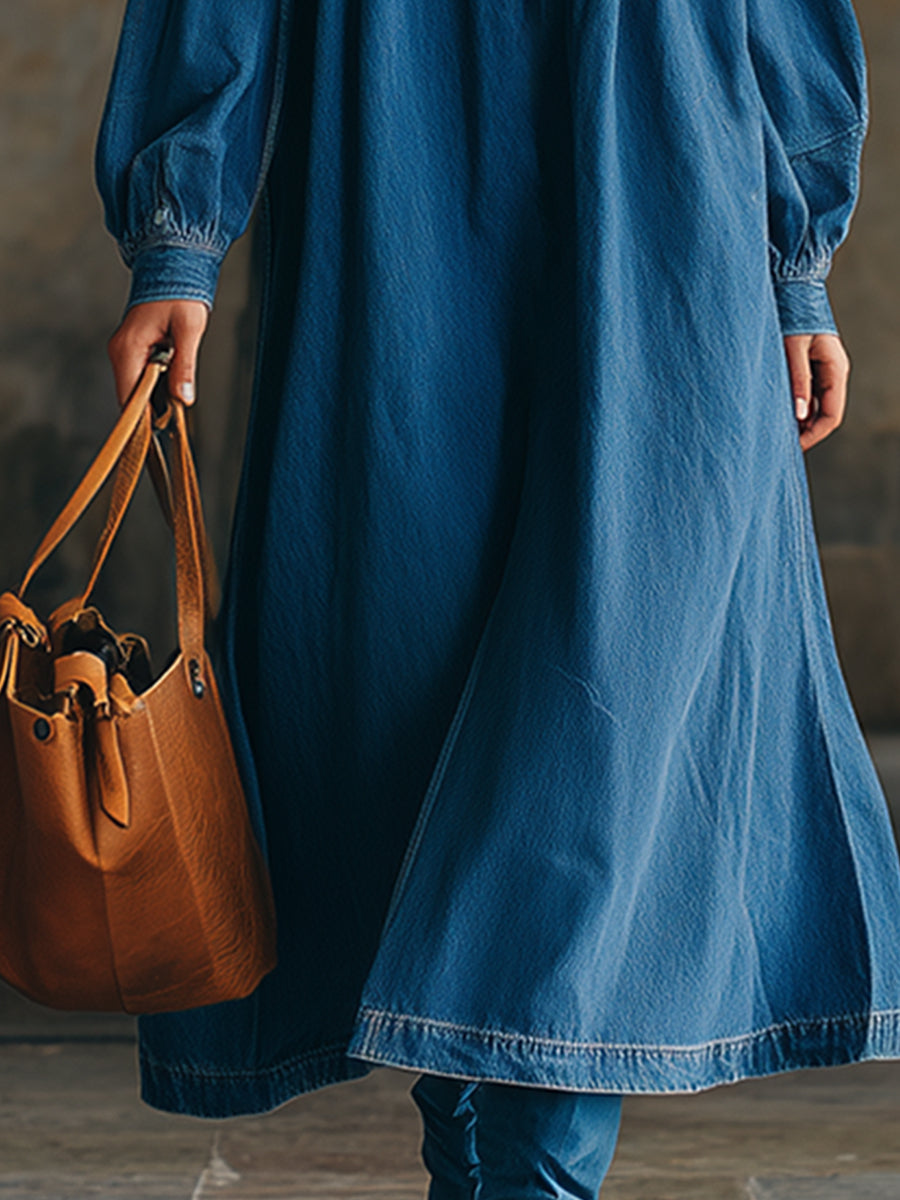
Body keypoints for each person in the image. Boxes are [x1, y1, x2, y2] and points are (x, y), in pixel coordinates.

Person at [96, 0, 900, 1195]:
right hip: (407, 215)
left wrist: (794, 259)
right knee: (415, 713)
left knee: (601, 744)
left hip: (669, 214)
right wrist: (180, 231)